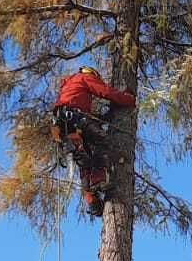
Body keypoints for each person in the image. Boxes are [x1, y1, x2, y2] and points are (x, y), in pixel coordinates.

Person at [52, 66, 135, 216]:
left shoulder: (69, 86)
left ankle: (92, 201)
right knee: (101, 142)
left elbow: (88, 116)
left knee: (84, 160)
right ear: (91, 74)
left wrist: (105, 117)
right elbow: (105, 92)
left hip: (63, 123)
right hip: (75, 118)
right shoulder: (84, 77)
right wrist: (128, 99)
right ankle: (98, 181)